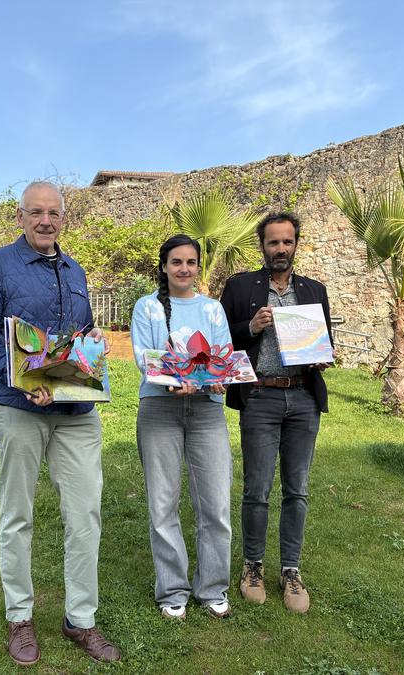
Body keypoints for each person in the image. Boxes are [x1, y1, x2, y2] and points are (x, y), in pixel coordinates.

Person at [0, 181, 121, 666]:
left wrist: (94, 341)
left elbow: (80, 336)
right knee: (18, 516)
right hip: (18, 408)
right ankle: (20, 617)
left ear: (63, 217)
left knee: (85, 516)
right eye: (36, 212)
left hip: (75, 411)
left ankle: (81, 620)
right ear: (20, 216)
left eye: (53, 213)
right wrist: (20, 378)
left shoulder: (74, 269)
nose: (45, 221)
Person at [220, 211, 333, 614]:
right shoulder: (239, 286)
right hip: (261, 396)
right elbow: (220, 339)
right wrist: (250, 327)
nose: (280, 249)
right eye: (273, 242)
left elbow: (326, 342)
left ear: (296, 244)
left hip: (303, 398)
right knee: (257, 488)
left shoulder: (314, 290)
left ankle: (290, 570)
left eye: (287, 242)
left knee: (297, 488)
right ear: (262, 246)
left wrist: (322, 357)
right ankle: (252, 565)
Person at [130, 234, 233, 621]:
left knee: (216, 503)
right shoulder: (148, 307)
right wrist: (173, 380)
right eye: (176, 262)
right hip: (159, 409)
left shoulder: (212, 309)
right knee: (162, 502)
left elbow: (222, 356)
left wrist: (219, 378)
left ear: (198, 266)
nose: (184, 269)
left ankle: (212, 587)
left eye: (191, 262)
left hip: (207, 410)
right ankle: (173, 589)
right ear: (164, 266)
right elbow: (145, 357)